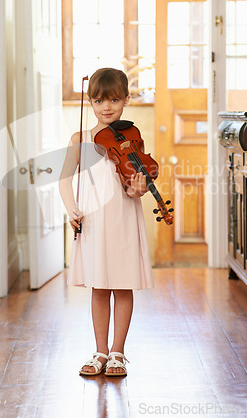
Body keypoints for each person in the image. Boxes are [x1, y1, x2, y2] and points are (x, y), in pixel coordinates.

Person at [59, 68, 154, 377]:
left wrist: (138, 188)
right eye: (99, 100)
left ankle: (118, 352)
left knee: (122, 286)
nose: (107, 107)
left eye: (114, 99)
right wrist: (72, 209)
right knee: (99, 287)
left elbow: (131, 188)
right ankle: (100, 351)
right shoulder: (81, 139)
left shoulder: (130, 140)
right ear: (91, 102)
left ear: (126, 99)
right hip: (94, 223)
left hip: (123, 221)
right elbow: (64, 179)